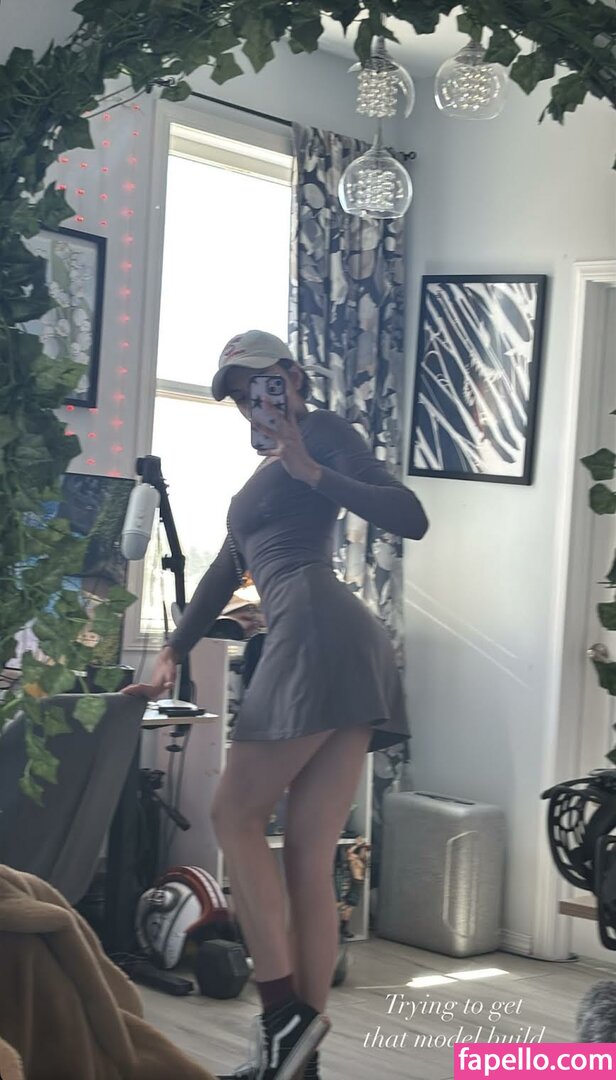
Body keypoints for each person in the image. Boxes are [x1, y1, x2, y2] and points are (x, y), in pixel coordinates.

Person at [125, 330, 429, 1080]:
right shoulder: (267, 473)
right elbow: (227, 571)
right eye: (237, 394)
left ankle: (281, 1017)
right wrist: (173, 648)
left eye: (259, 384)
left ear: (291, 378)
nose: (249, 403)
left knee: (233, 814)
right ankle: (299, 1060)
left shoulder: (320, 434)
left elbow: (410, 514)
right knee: (305, 858)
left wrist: (313, 469)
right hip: (338, 640)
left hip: (315, 627)